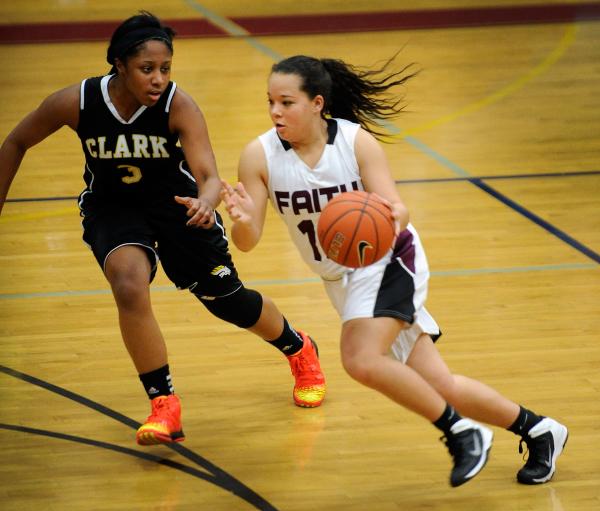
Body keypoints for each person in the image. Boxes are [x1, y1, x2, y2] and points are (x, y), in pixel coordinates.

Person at [220, 54, 568, 487]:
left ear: (317, 103)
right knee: (439, 383)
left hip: (387, 258)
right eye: (270, 101)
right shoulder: (259, 156)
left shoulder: (354, 142)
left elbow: (397, 208)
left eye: (286, 102)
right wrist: (241, 220)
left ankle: (461, 432)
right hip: (340, 282)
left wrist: (386, 213)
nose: (275, 111)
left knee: (360, 359)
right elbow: (248, 242)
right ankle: (539, 430)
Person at [0, 14, 327, 446]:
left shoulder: (179, 106)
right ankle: (164, 405)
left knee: (228, 303)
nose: (158, 79)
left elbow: (208, 175)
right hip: (113, 208)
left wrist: (206, 203)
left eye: (165, 69)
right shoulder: (76, 101)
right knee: (129, 284)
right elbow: (16, 141)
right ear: (119, 65)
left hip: (178, 208)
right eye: (147, 69)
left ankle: (298, 347)